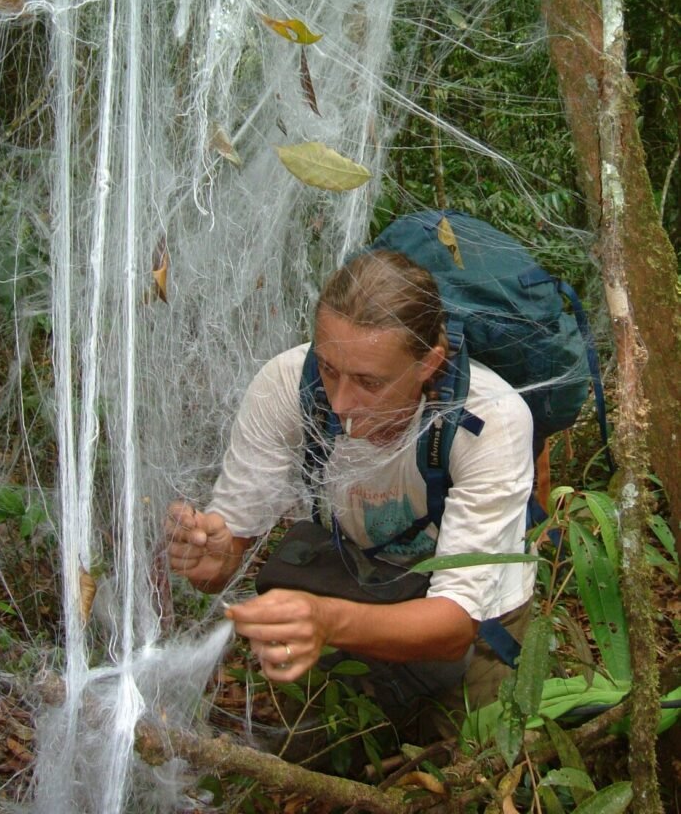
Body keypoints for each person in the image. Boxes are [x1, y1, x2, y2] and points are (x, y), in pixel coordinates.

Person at [166, 249, 536, 742]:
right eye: (329, 368)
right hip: (360, 580)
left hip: (480, 610)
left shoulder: (489, 422)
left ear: (429, 362)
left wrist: (324, 619)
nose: (340, 403)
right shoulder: (285, 386)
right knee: (350, 745)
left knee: (466, 752)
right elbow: (224, 555)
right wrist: (211, 558)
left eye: (368, 382)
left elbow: (453, 626)